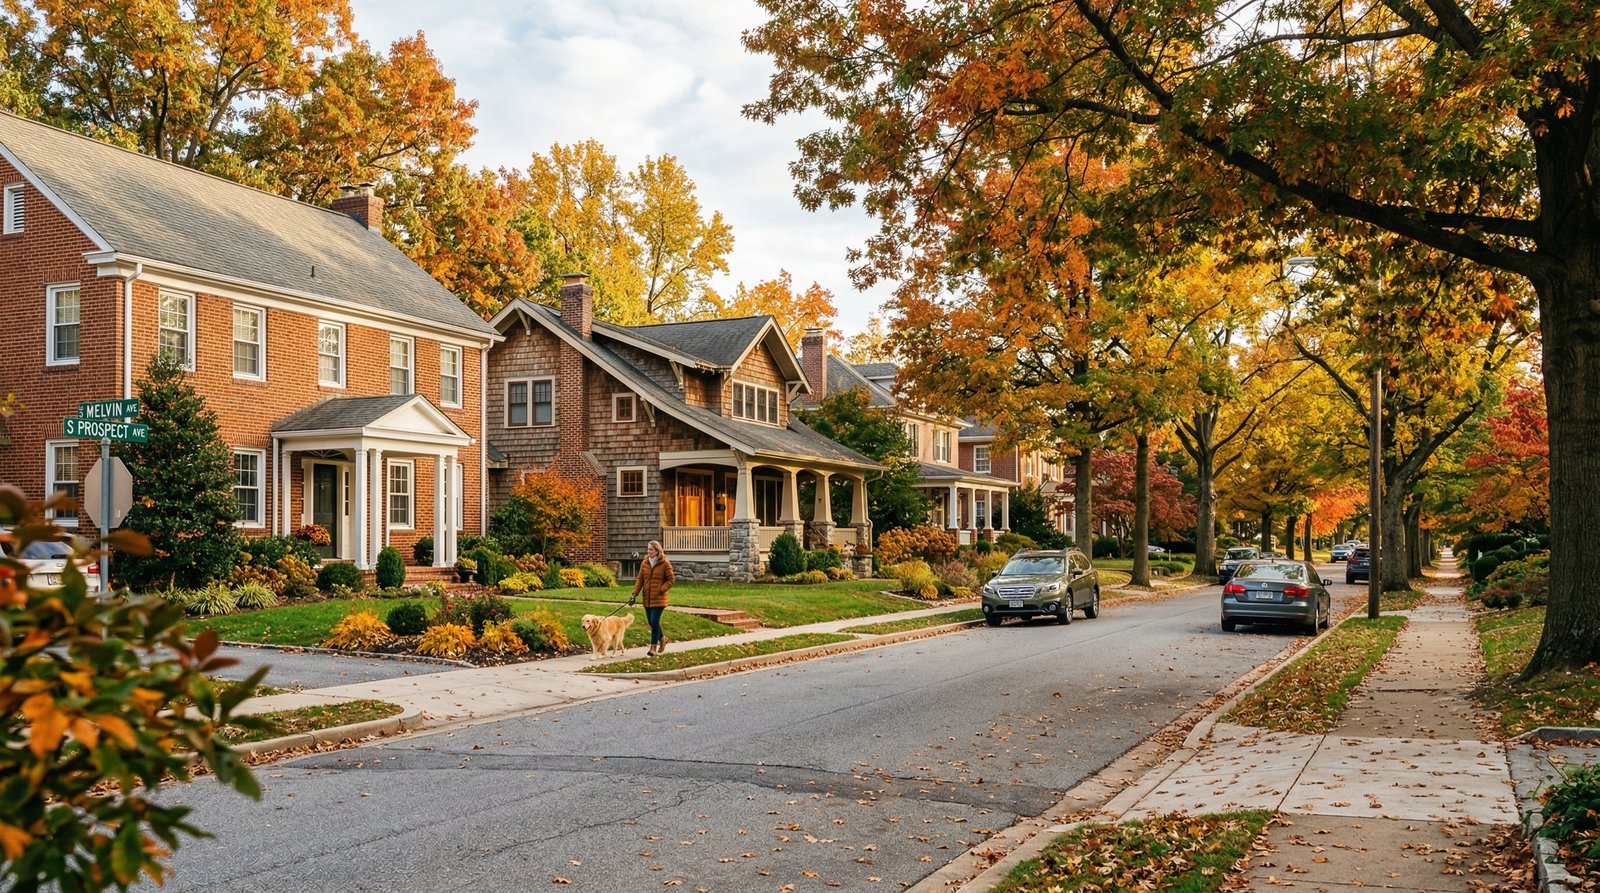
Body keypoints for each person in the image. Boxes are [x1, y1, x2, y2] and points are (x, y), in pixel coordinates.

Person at [632, 540, 675, 655]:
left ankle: (653, 648)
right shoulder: (645, 563)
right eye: (648, 549)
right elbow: (640, 580)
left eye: (651, 549)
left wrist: (661, 589)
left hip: (659, 598)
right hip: (647, 598)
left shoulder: (665, 563)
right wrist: (634, 594)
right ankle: (663, 639)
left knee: (654, 621)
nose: (648, 551)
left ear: (657, 551)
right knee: (651, 623)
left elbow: (671, 580)